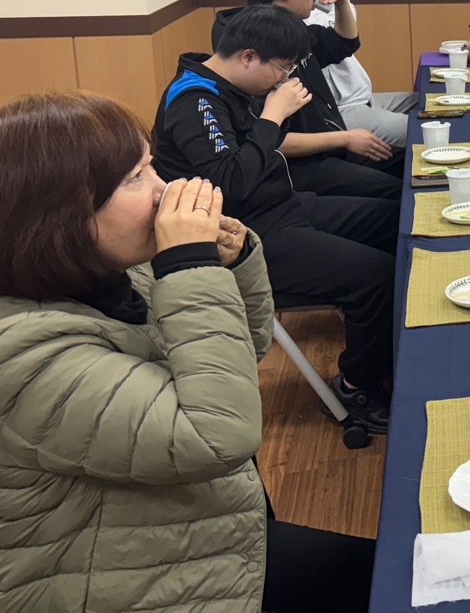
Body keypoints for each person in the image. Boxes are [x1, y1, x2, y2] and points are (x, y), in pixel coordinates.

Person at [0, 92, 271, 610]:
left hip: (199, 534)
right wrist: (190, 268)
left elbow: (244, 354)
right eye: (136, 178)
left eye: (151, 166)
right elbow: (217, 435)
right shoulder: (23, 356)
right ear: (58, 217)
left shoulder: (122, 274)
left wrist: (230, 266)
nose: (164, 191)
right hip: (122, 584)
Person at [155, 5, 397, 434]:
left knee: (395, 218)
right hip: (246, 236)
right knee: (378, 276)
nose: (284, 79)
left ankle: (393, 354)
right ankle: (357, 387)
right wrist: (273, 114)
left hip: (284, 206)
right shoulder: (194, 100)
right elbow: (231, 182)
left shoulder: (231, 84)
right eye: (282, 68)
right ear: (248, 57)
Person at [214, 0, 400, 198]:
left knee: (408, 163)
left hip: (330, 147)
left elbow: (344, 43)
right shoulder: (251, 48)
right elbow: (268, 140)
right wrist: (345, 138)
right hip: (301, 168)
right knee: (396, 192)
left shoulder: (288, 27)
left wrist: (342, 0)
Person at [287, 0, 419, 150]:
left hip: (363, 98)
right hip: (342, 111)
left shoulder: (320, 5)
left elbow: (348, 30)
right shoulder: (300, 18)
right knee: (427, 129)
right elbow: (341, 39)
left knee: (429, 102)